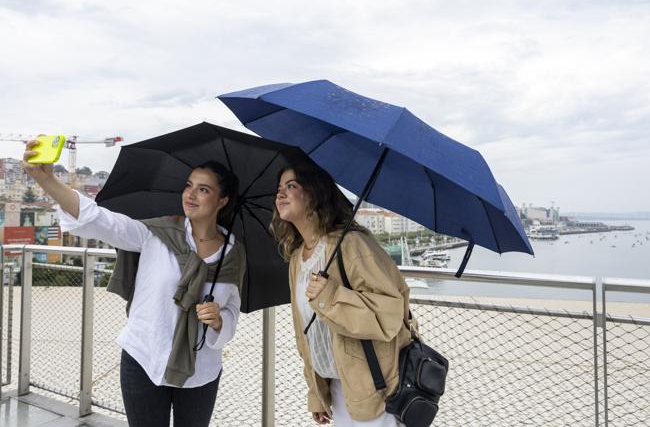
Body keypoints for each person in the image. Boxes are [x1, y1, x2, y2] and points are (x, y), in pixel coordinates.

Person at [23, 140, 245, 427]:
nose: (190, 195)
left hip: (201, 369)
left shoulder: (231, 253)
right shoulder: (155, 234)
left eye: (203, 190)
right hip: (143, 358)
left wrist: (218, 320)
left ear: (222, 201)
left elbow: (232, 312)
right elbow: (101, 220)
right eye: (189, 185)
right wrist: (47, 179)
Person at [271, 163, 412, 426]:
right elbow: (307, 335)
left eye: (291, 186)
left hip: (373, 386)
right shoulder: (298, 259)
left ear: (314, 194)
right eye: (279, 189)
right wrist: (317, 393)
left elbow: (391, 313)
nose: (280, 195)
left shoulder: (352, 244)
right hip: (336, 386)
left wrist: (331, 296)